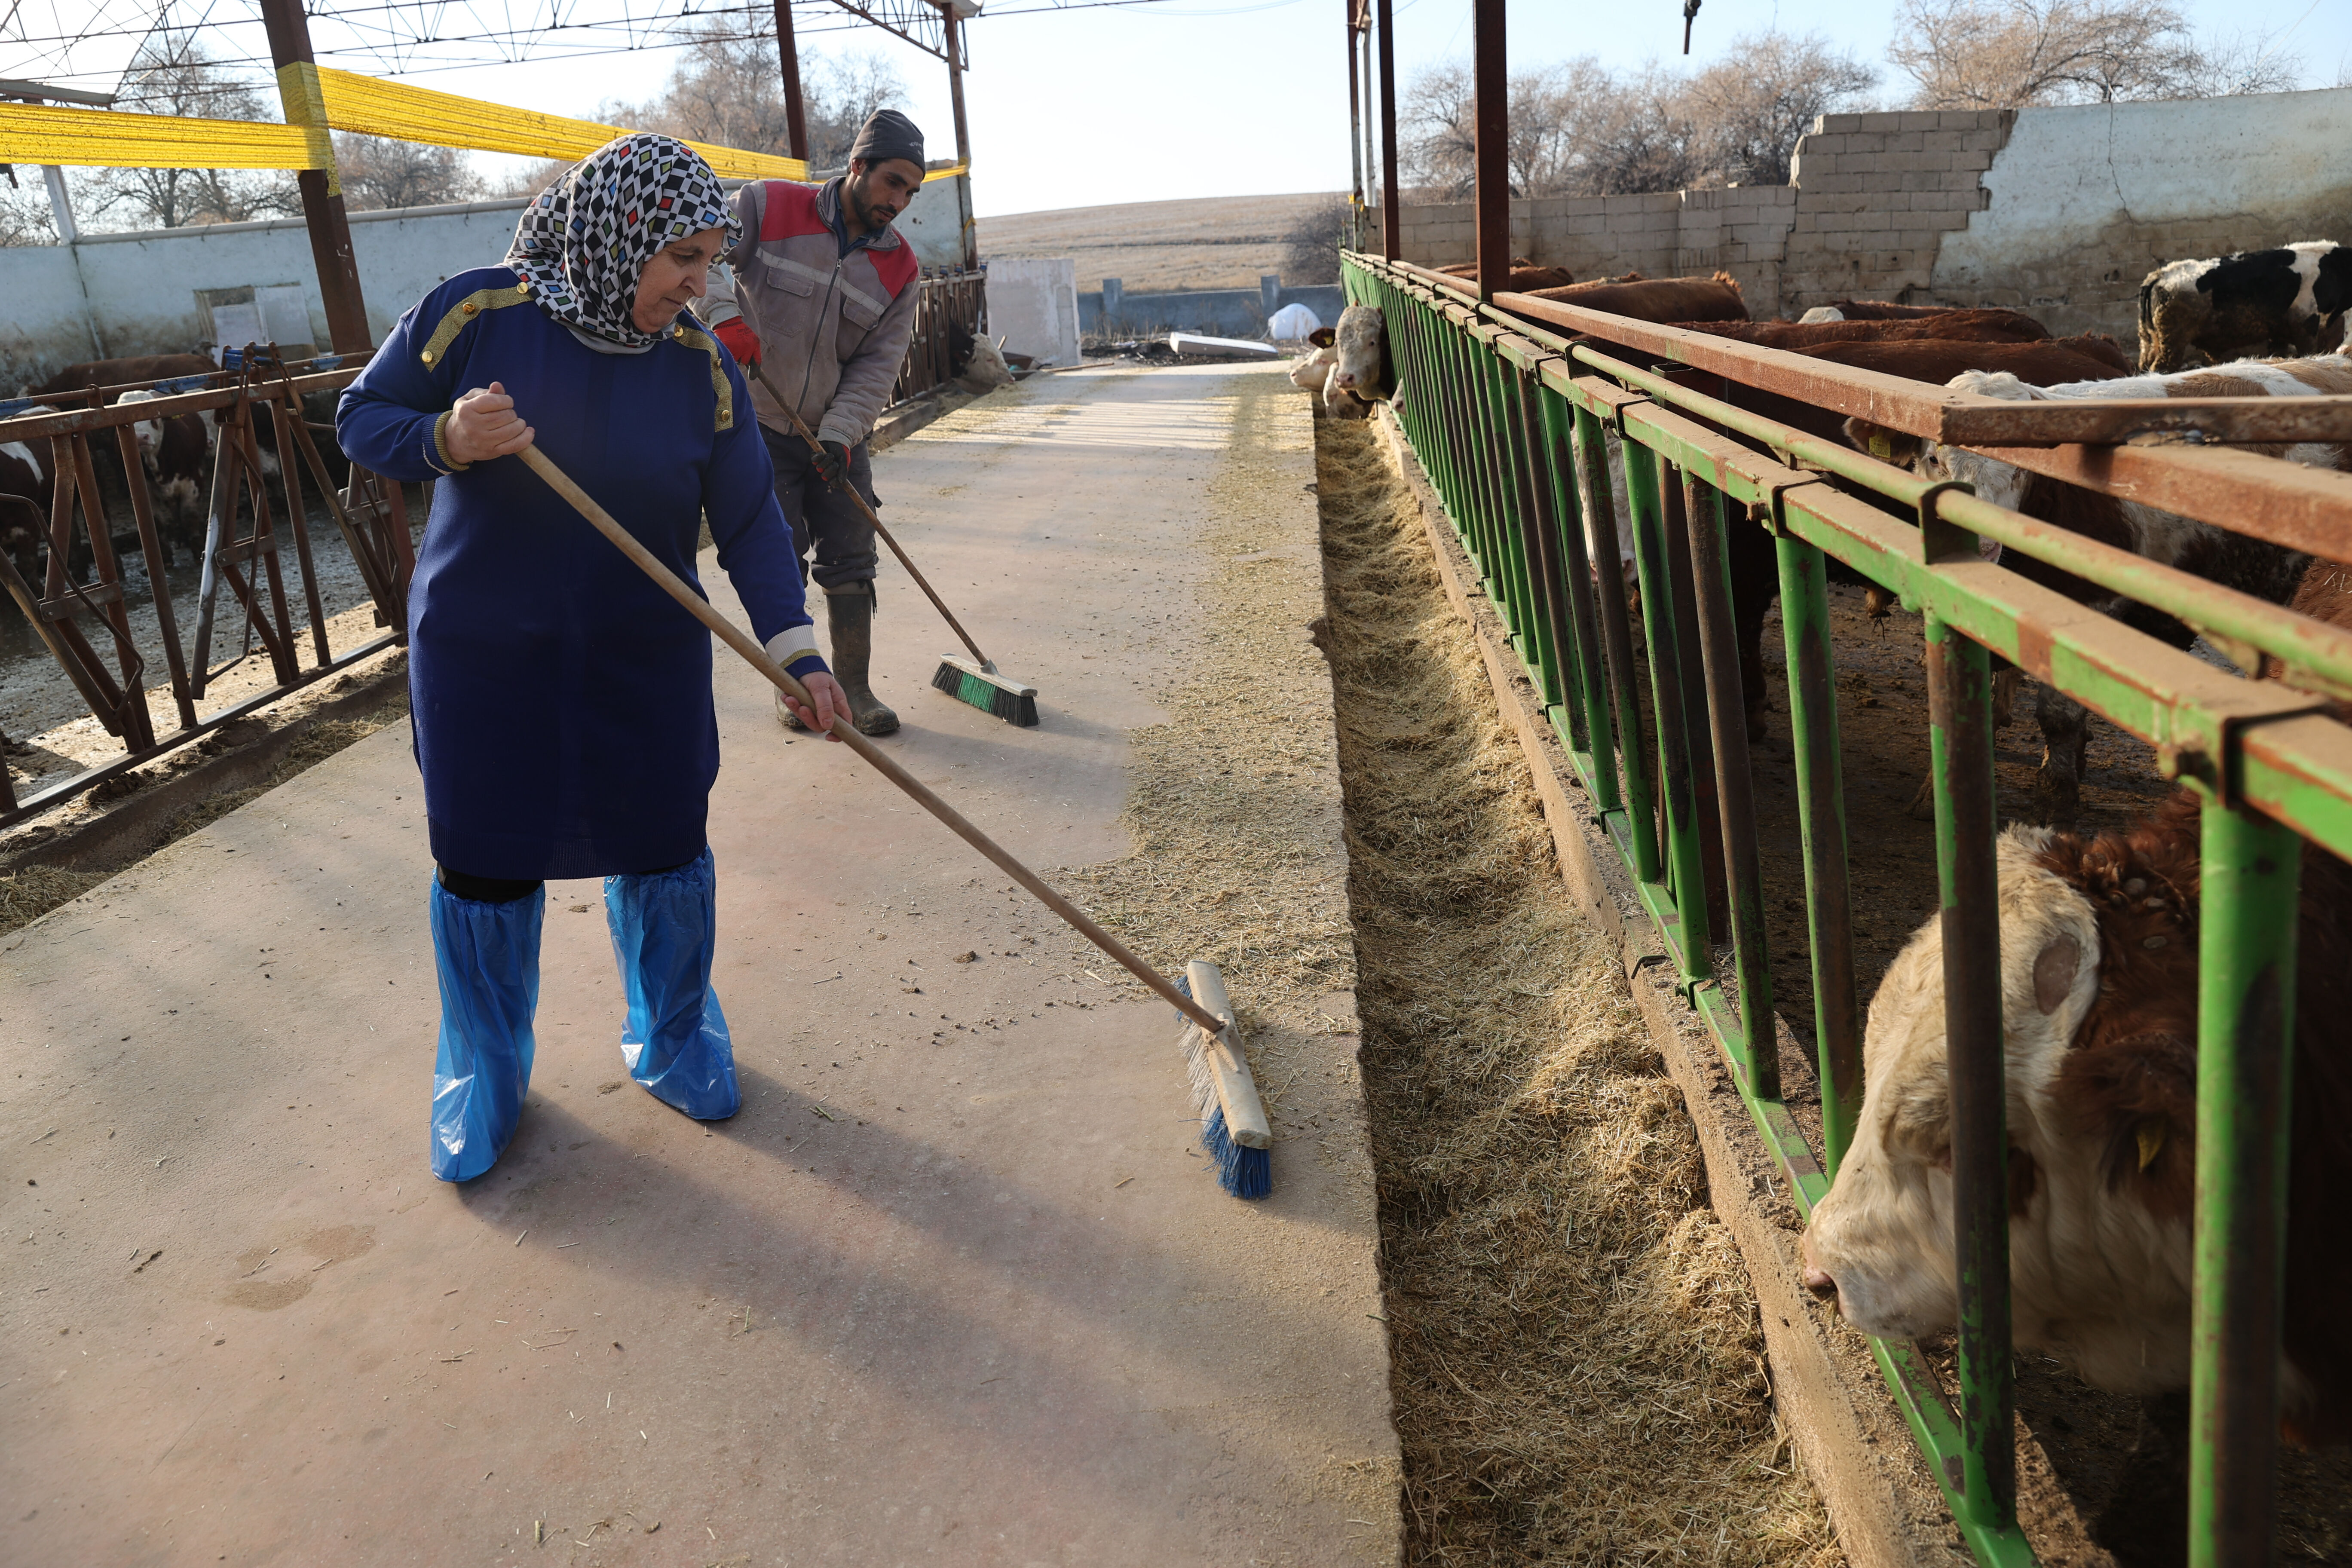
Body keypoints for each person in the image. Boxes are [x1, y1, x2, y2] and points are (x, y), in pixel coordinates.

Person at [337, 133, 847, 1183]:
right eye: (683, 261)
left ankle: (671, 1041)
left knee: (663, 846)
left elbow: (749, 520)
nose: (698, 287)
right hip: (486, 658)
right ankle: (485, 1077)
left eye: (710, 262)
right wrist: (446, 440)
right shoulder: (480, 314)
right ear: (622, 236)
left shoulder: (697, 366)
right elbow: (362, 418)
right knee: (484, 863)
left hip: (642, 656)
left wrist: (797, 653)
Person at [707, 107, 929, 737]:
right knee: (779, 556)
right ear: (856, 167)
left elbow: (878, 366)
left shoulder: (901, 268)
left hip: (836, 433)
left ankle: (854, 687)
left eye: (911, 191)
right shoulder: (766, 207)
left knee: (853, 555)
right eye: (892, 182)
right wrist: (724, 317)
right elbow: (701, 252)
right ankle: (796, 688)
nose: (900, 201)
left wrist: (841, 433)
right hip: (757, 426)